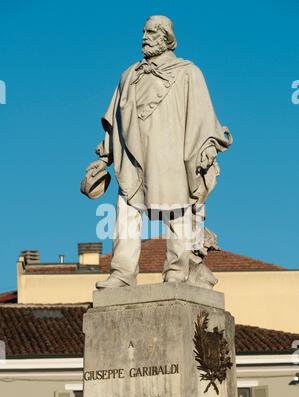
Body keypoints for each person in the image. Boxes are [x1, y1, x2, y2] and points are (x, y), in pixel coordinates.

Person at [82, 15, 232, 289]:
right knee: (126, 210)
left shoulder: (188, 72)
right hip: (133, 156)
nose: (145, 37)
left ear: (167, 37)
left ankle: (177, 272)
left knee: (178, 211)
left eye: (151, 32)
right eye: (143, 32)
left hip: (172, 155)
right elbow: (114, 120)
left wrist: (208, 147)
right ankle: (122, 274)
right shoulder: (128, 76)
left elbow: (204, 117)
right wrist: (104, 156)